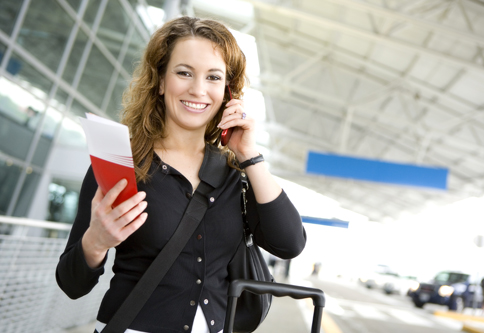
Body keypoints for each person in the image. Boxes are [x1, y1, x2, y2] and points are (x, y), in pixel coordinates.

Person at [56, 16, 306, 333]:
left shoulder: (234, 175)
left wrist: (249, 156)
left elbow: (290, 244)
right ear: (161, 81)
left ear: (228, 91)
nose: (198, 89)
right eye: (184, 72)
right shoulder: (122, 164)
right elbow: (71, 284)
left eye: (213, 77)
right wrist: (95, 242)